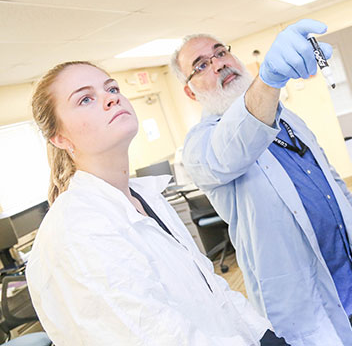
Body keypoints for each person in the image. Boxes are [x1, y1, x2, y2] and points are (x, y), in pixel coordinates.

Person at [170, 19, 352, 346]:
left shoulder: (285, 116)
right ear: (189, 90)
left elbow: (329, 180)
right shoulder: (201, 145)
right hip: (306, 302)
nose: (219, 63)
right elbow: (234, 146)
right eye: (202, 65)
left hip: (350, 277)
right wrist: (269, 78)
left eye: (221, 52)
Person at [26, 61, 285, 345]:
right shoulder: (76, 231)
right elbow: (151, 336)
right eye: (85, 99)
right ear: (60, 138)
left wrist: (262, 334)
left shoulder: (144, 197)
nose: (111, 97)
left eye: (111, 88)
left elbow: (211, 288)